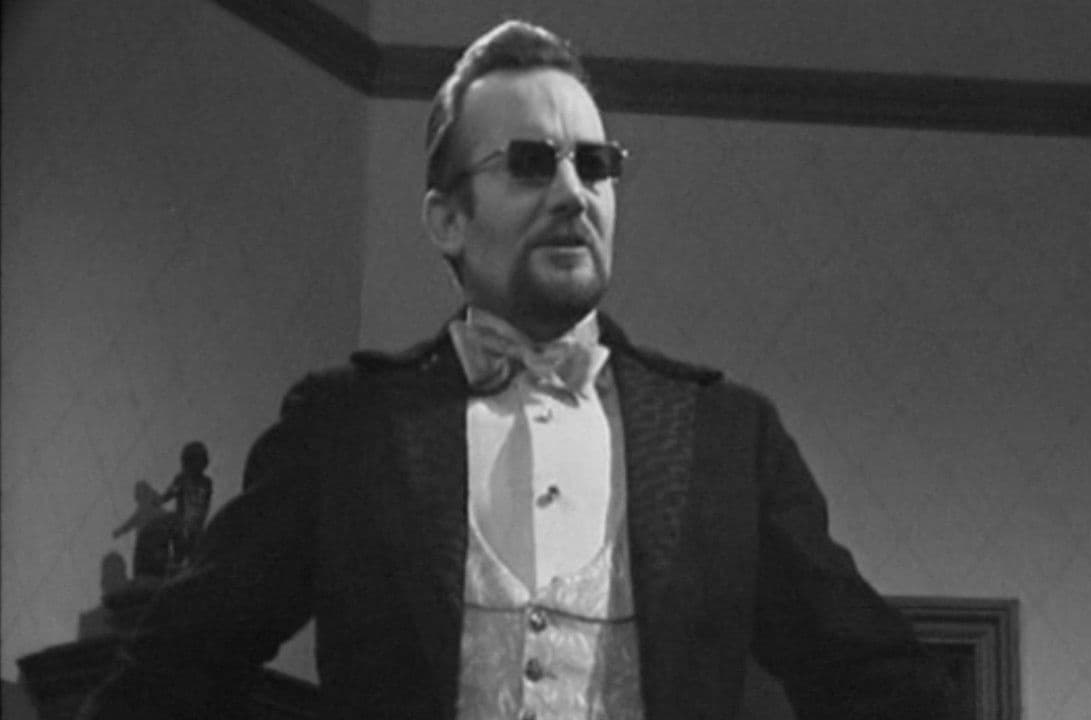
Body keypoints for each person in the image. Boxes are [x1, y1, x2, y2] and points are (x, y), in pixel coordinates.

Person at [81, 20, 951, 720]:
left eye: (596, 164)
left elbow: (879, 681)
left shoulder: (730, 438)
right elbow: (170, 671)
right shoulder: (344, 428)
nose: (573, 192)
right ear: (447, 220)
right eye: (532, 163)